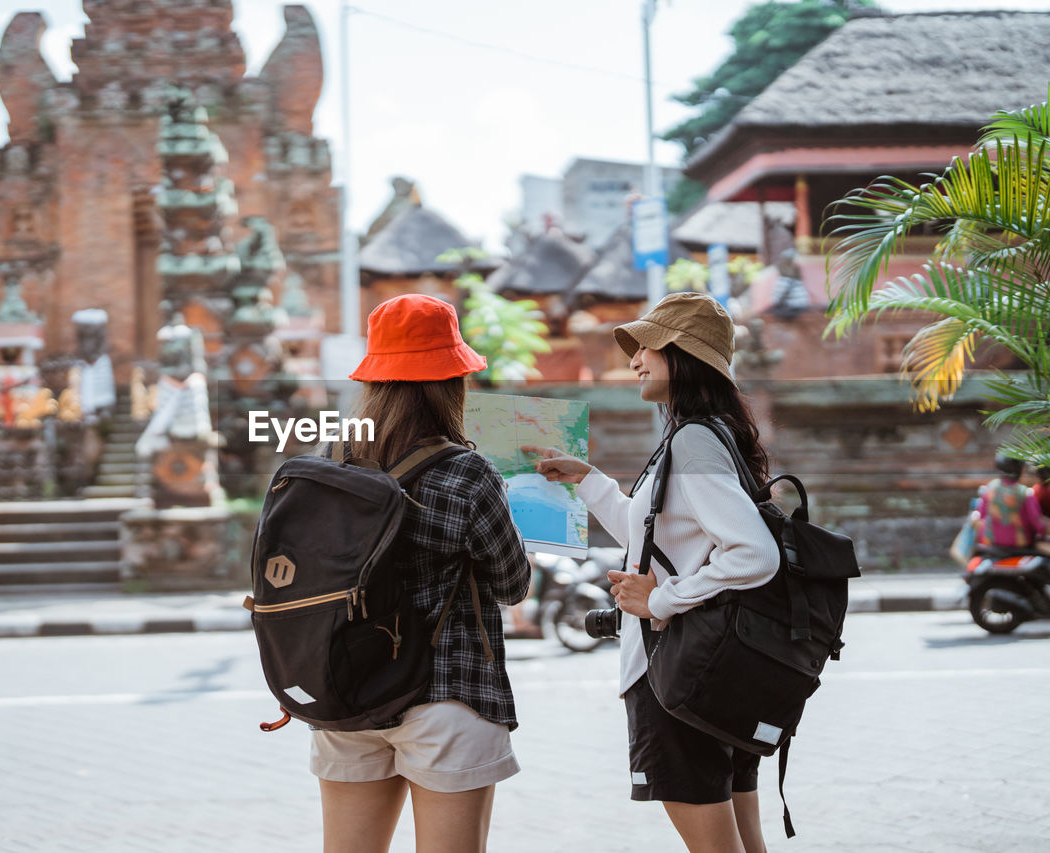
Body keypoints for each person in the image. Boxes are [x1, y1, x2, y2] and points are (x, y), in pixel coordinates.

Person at [524, 292, 778, 853]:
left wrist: (661, 600)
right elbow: (655, 536)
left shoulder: (692, 442)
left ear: (684, 355)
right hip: (709, 667)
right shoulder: (703, 435)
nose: (635, 358)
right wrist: (588, 479)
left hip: (676, 671)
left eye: (648, 346)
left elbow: (755, 554)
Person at [311, 293, 531, 853]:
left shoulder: (333, 457)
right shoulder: (467, 472)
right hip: (446, 692)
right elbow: (512, 585)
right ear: (449, 380)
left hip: (348, 691)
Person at [975, 454, 1046, 553]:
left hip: (991, 542)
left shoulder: (989, 488)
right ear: (1020, 470)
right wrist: (1042, 532)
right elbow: (1036, 522)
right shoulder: (1025, 493)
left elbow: (981, 515)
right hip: (1020, 544)